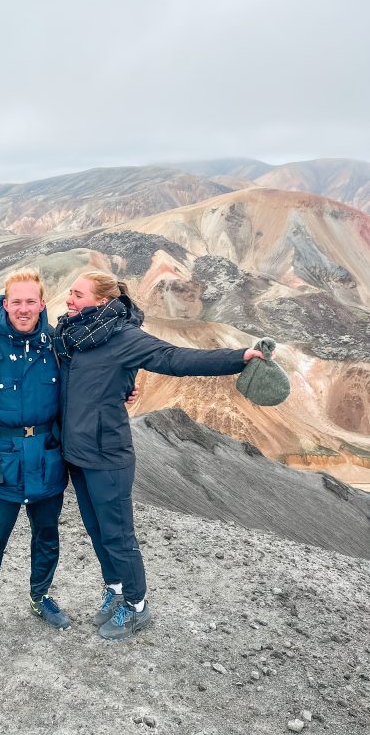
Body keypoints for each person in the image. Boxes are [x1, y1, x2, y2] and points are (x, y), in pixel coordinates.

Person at [54, 270, 272, 642]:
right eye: (69, 293)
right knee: (96, 531)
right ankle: (117, 588)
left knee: (118, 535)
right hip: (76, 453)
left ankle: (137, 607)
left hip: (108, 456)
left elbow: (174, 358)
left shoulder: (124, 337)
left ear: (102, 302)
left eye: (76, 294)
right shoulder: (71, 335)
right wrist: (123, 387)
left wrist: (239, 357)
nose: (68, 300)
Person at [0, 268, 71, 652]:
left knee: (47, 537)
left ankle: (40, 597)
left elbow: (93, 382)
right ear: (5, 304)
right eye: (16, 302)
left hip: (48, 461)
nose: (23, 309)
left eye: (30, 301)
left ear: (41, 304)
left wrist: (127, 387)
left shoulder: (57, 347)